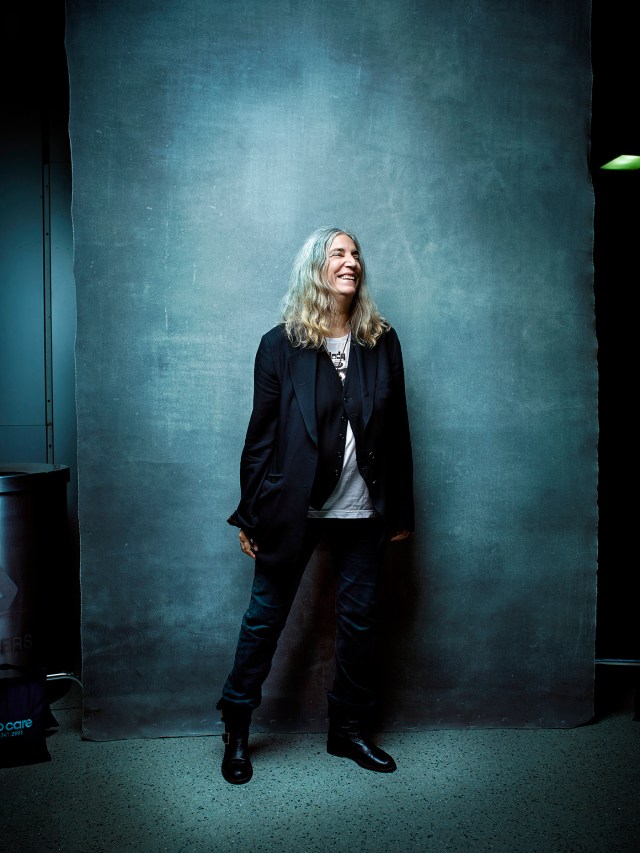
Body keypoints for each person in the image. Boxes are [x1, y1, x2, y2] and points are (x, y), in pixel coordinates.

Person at [216, 226, 414, 784]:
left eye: (355, 253)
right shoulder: (279, 345)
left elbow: (397, 433)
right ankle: (236, 729)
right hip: (290, 507)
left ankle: (346, 730)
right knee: (264, 619)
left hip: (364, 507)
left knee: (359, 622)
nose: (351, 261)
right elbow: (261, 438)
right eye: (338, 253)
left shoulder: (382, 339)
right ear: (315, 268)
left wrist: (399, 512)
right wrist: (249, 514)